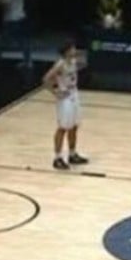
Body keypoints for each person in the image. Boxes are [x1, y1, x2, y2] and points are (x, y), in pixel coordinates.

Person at [42, 40, 89, 170]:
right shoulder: (60, 64)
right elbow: (46, 79)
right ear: (67, 51)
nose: (75, 50)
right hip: (65, 99)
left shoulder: (73, 61)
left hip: (74, 95)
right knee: (62, 128)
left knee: (74, 126)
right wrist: (55, 91)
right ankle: (57, 158)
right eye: (72, 48)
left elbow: (84, 60)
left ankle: (72, 154)